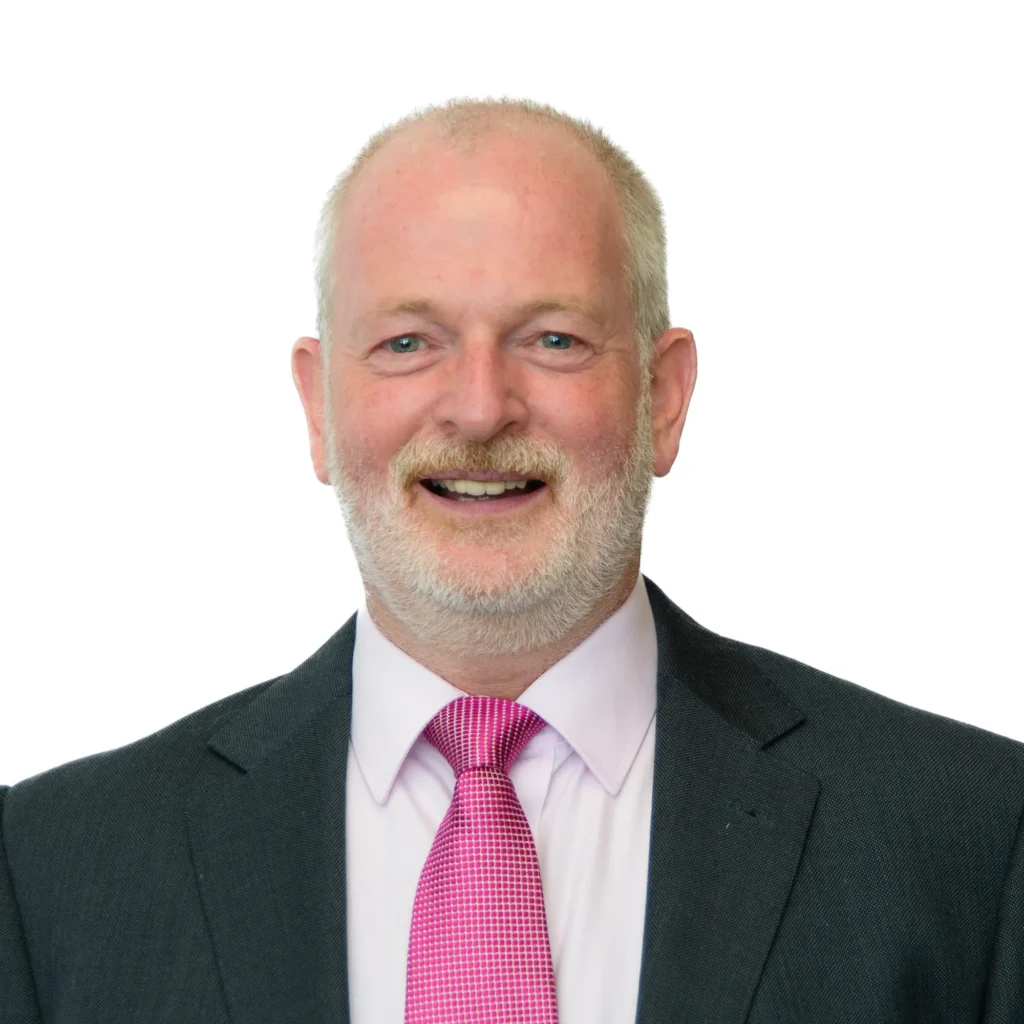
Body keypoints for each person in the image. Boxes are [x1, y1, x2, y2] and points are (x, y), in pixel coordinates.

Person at [2, 96, 1021, 1024]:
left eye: (552, 339)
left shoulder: (971, 840)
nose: (480, 408)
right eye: (407, 343)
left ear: (662, 398)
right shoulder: (52, 874)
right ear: (317, 408)